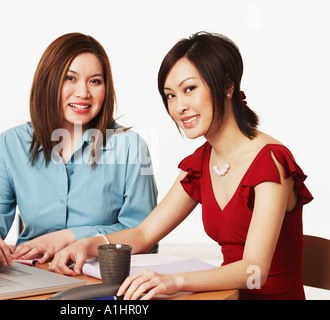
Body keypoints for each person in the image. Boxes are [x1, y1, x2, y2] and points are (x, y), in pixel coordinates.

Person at [49, 32, 313, 300]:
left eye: (189, 89)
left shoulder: (271, 161)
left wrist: (173, 281)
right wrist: (88, 244)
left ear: (227, 86)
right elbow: (144, 233)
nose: (179, 107)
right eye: (170, 96)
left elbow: (254, 271)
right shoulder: (200, 163)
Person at [0, 33, 158, 268]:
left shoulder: (130, 146)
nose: (83, 93)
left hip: (95, 274)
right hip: (28, 269)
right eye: (70, 78)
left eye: (95, 81)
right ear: (49, 81)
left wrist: (69, 237)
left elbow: (143, 233)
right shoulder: (10, 144)